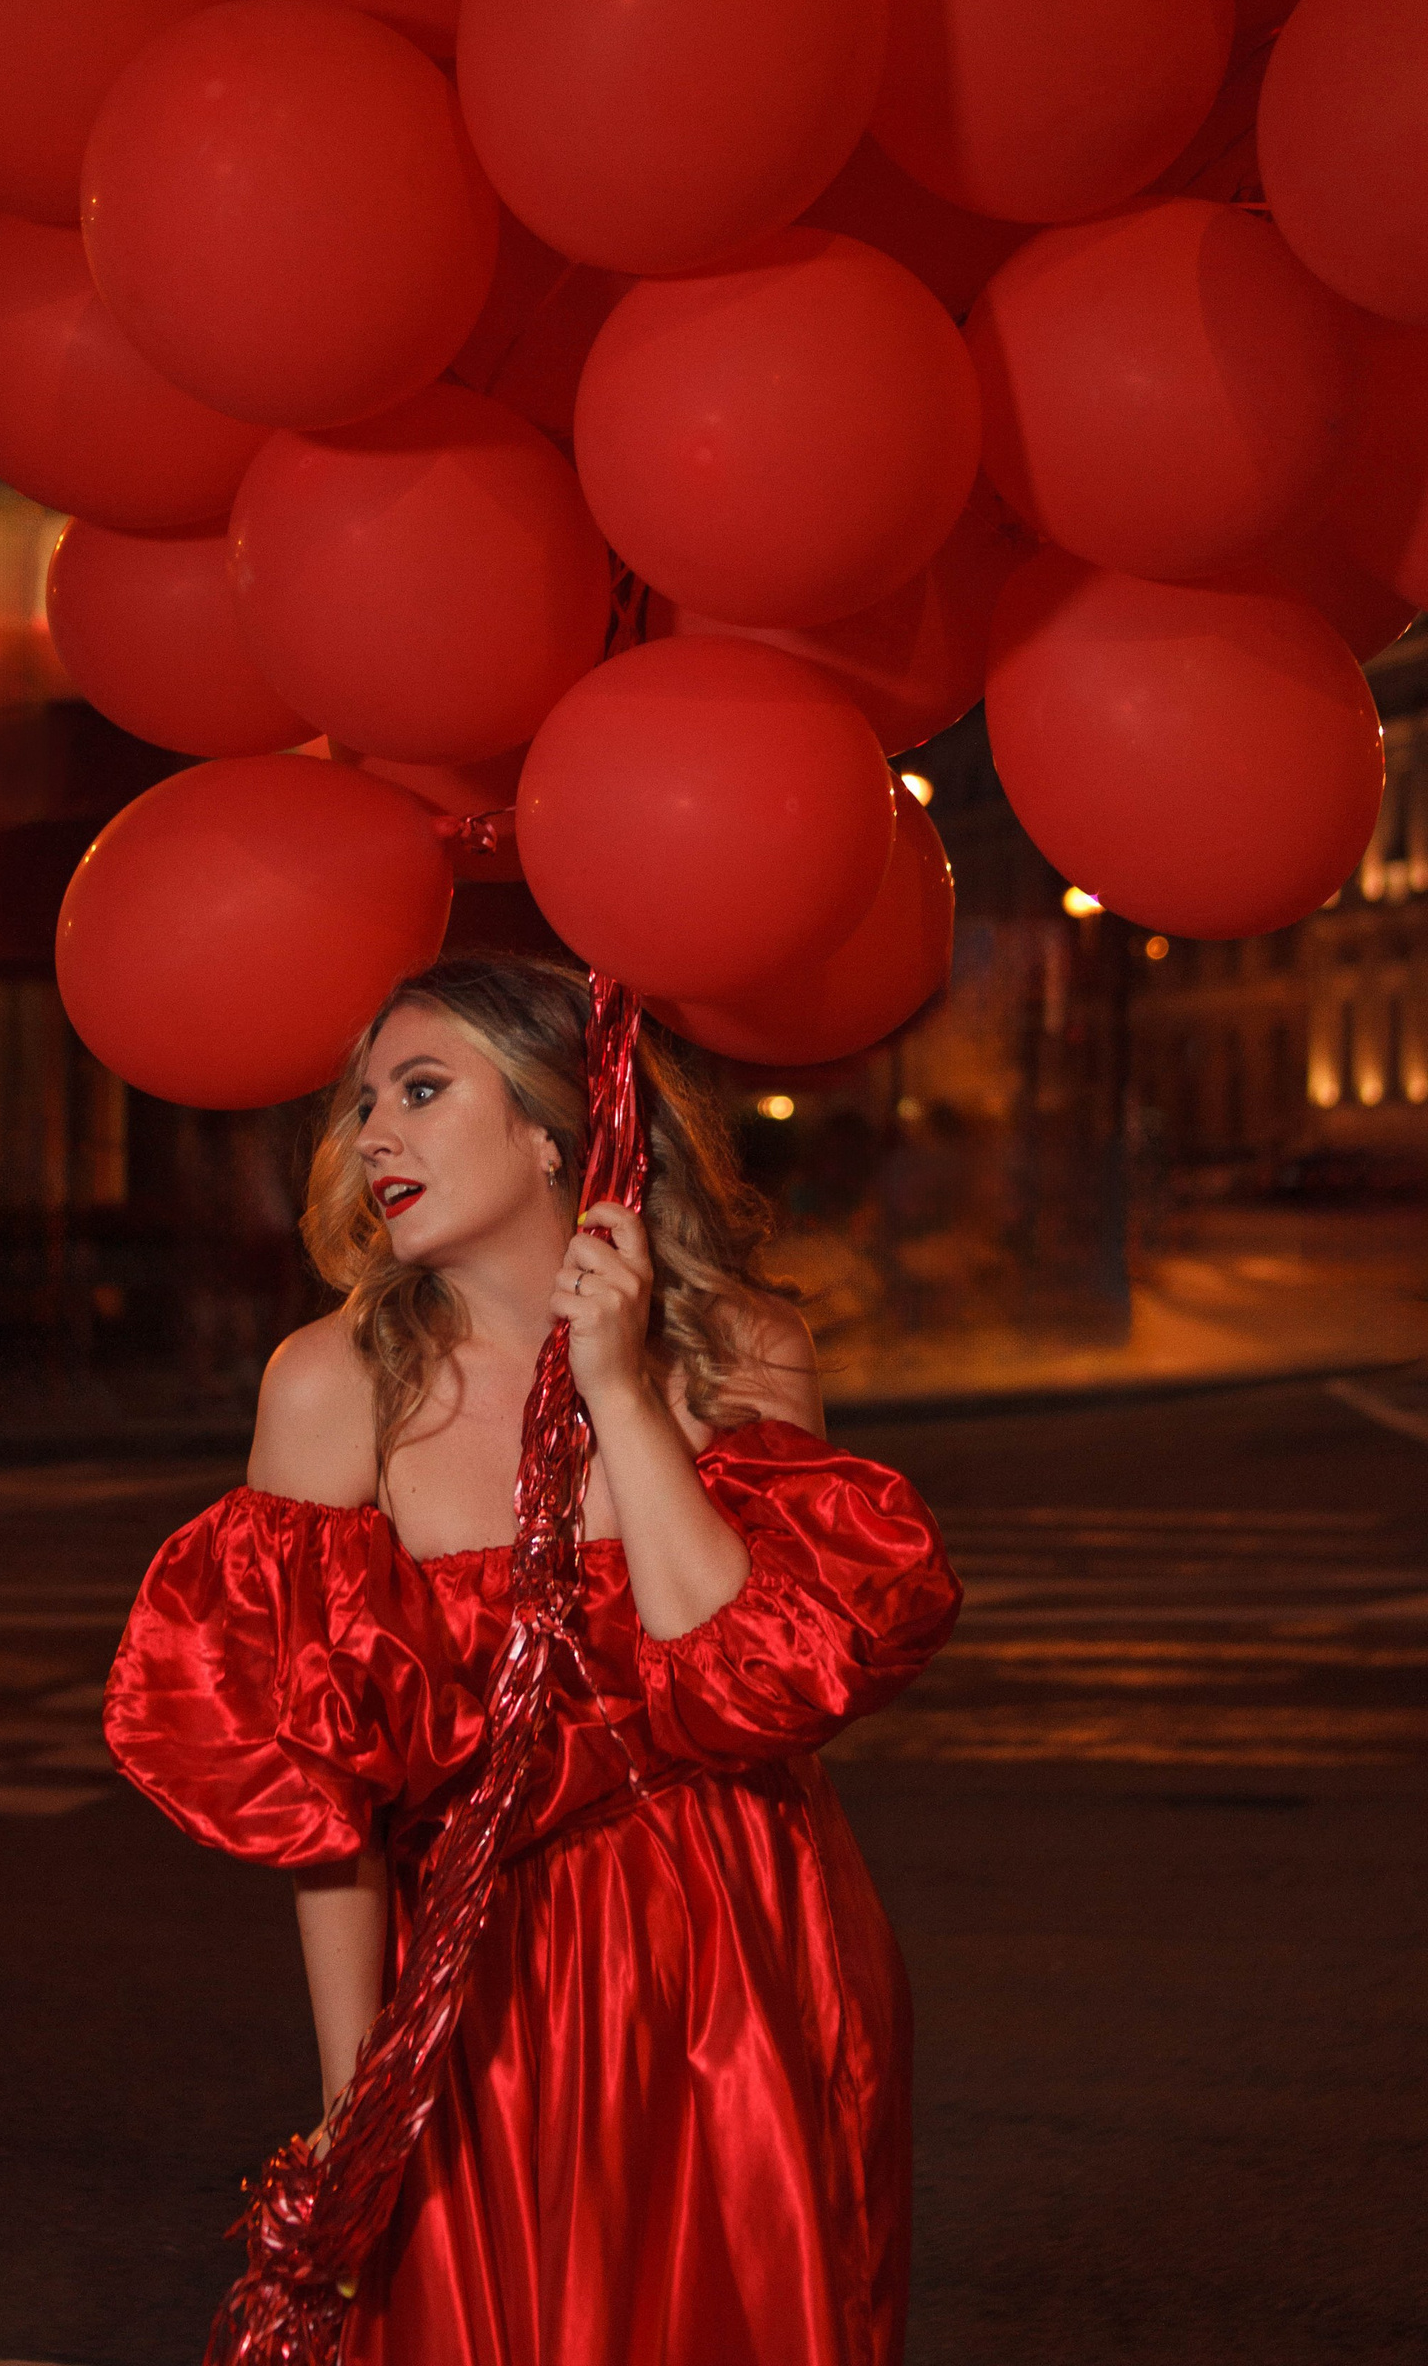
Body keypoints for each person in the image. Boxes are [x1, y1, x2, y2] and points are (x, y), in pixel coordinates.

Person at [106, 957, 960, 2365]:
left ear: (560, 1127)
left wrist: (618, 1385)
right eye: (364, 1103)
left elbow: (747, 1685)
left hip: (747, 1952)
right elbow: (326, 1799)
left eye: (421, 1091)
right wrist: (353, 2092)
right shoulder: (332, 1388)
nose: (372, 1136)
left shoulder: (740, 1349)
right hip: (479, 1979)